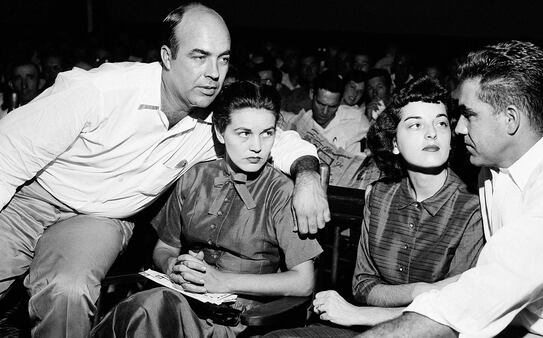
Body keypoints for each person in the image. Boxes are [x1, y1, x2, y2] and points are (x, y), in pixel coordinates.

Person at [0, 3, 329, 338]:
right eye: (199, 56)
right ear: (167, 57)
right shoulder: (100, 90)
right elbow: (8, 150)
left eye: (223, 58)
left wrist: (308, 177)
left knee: (68, 291)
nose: (214, 73)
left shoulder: (217, 120)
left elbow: (278, 137)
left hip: (99, 219)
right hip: (31, 195)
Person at [358, 40, 543, 337]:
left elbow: (478, 297)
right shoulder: (492, 169)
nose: (458, 128)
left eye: (468, 115)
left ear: (510, 119)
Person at [91, 81, 323, 338]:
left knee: (147, 311)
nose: (257, 146)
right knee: (146, 308)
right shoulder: (195, 176)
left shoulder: (280, 191)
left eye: (267, 133)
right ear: (221, 132)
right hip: (184, 301)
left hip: (242, 321)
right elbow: (165, 247)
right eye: (244, 133)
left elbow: (303, 282)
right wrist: (174, 266)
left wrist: (223, 281)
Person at [264, 76, 484, 338]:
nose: (432, 133)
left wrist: (359, 314)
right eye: (415, 124)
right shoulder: (379, 196)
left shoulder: (473, 207)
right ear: (394, 143)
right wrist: (422, 290)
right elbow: (363, 285)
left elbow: (456, 310)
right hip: (365, 325)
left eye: (442, 123)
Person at [280, 70, 370, 156]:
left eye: (332, 106)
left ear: (340, 101)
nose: (325, 112)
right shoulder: (301, 121)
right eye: (320, 104)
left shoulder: (357, 119)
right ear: (312, 94)